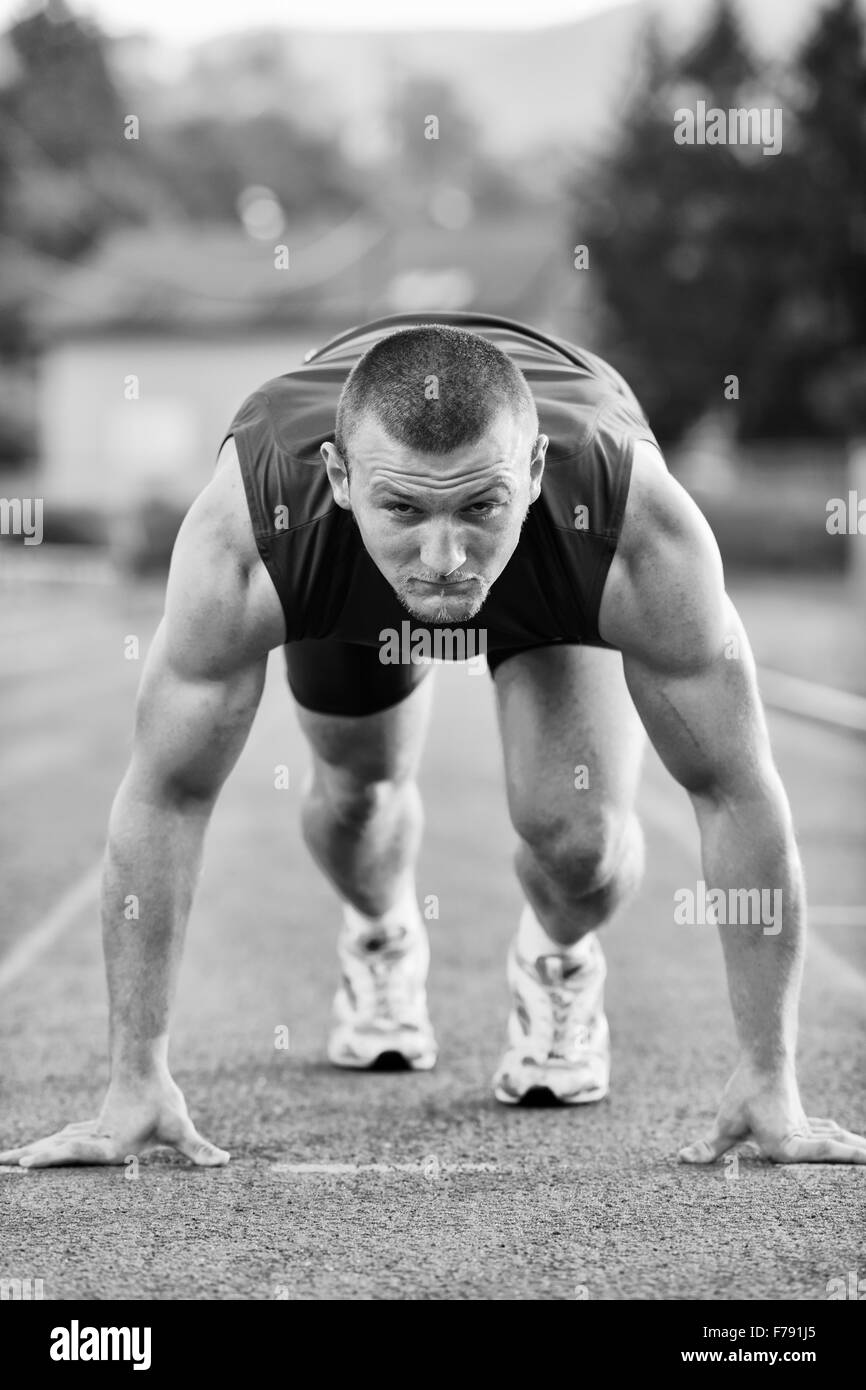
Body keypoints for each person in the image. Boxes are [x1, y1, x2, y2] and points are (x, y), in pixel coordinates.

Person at [2, 311, 863, 1170]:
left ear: (531, 472)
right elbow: (167, 792)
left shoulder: (632, 525)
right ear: (339, 477)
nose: (446, 556)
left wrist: (770, 1076)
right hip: (352, 578)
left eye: (477, 506)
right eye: (405, 507)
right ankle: (381, 936)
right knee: (357, 806)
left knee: (582, 846)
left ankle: (557, 961)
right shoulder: (253, 536)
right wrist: (134, 1078)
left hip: (551, 566)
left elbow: (736, 786)